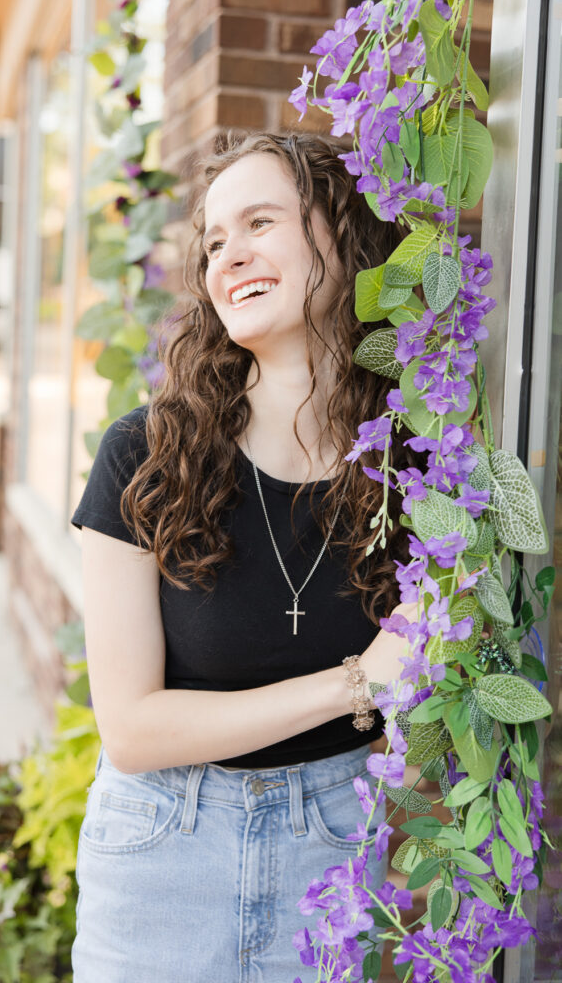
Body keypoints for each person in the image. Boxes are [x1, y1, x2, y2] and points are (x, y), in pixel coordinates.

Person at [70, 131, 420, 982]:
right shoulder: (146, 457)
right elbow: (132, 729)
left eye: (258, 223)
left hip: (331, 848)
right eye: (215, 241)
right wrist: (356, 681)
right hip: (162, 851)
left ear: (338, 236)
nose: (228, 257)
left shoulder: (416, 468)